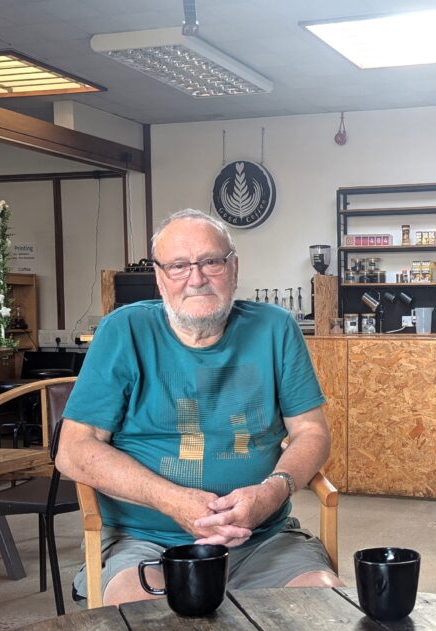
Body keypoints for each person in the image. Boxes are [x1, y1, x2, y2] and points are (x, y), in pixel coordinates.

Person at [57, 208, 339, 605]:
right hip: (146, 544)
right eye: (178, 266)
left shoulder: (276, 328)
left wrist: (271, 493)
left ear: (234, 268)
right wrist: (171, 500)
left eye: (211, 262)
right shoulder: (123, 331)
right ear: (159, 277)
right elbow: (73, 450)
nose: (197, 278)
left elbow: (312, 432)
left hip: (262, 540)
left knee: (330, 614)